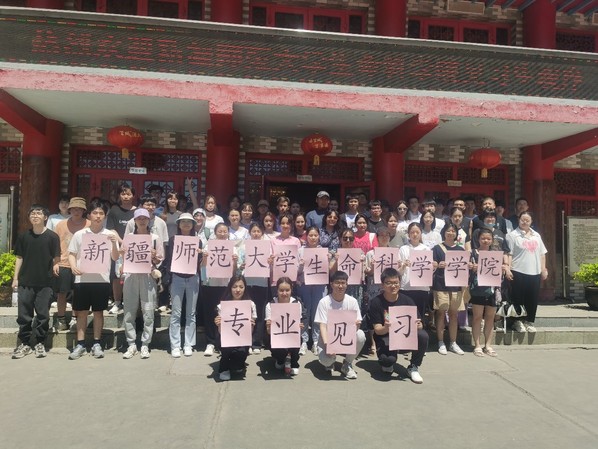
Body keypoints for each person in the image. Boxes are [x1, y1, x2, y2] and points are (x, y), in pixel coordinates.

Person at [67, 200, 120, 360]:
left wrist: (114, 244)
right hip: (82, 279)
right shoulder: (80, 234)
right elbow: (72, 253)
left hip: (101, 280)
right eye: (95, 213)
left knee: (98, 312)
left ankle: (97, 343)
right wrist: (73, 266)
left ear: (105, 216)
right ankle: (80, 344)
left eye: (101, 213)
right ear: (89, 215)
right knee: (81, 313)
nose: (98, 216)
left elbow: (115, 257)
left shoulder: (109, 235)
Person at [12, 205, 61, 359]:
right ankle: (25, 343)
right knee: (24, 315)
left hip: (45, 282)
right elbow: (19, 257)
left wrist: (56, 266)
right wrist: (15, 278)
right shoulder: (23, 236)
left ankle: (40, 342)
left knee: (43, 314)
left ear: (45, 217)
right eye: (32, 213)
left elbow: (56, 257)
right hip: (25, 281)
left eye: (39, 213)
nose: (35, 216)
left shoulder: (53, 237)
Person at [369, 268, 428, 383]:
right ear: (382, 285)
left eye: (396, 283)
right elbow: (377, 330)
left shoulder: (408, 300)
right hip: (386, 336)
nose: (393, 286)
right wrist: (386, 328)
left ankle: (414, 366)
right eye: (388, 283)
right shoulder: (376, 302)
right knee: (387, 362)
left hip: (405, 337)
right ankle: (390, 358)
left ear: (400, 283)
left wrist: (419, 325)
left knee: (422, 335)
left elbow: (419, 323)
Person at [120, 208, 164, 359]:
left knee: (148, 311)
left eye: (145, 218)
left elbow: (160, 259)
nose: (142, 220)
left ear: (149, 220)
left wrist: (154, 256)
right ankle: (131, 343)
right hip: (131, 275)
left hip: (148, 276)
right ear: (134, 221)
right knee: (129, 311)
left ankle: (145, 344)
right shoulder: (129, 237)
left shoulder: (155, 238)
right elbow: (123, 256)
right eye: (139, 218)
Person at [314, 271, 366, 379]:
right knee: (326, 361)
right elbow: (322, 326)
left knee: (360, 335)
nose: (340, 286)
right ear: (331, 284)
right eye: (337, 283)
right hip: (328, 338)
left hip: (346, 338)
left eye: (343, 283)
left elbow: (357, 325)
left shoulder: (352, 301)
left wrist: (356, 325)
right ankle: (330, 362)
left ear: (347, 284)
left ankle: (347, 364)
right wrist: (327, 345)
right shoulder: (324, 302)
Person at [469, 228, 511, 357]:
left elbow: (501, 270)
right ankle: (477, 345)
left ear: (492, 240)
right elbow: (466, 269)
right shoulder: (473, 253)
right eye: (483, 238)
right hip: (478, 289)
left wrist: (503, 268)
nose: (485, 241)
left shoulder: (495, 255)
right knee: (477, 317)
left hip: (492, 289)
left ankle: (488, 345)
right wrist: (472, 267)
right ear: (478, 239)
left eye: (488, 239)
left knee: (490, 318)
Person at [165, 213, 202, 358]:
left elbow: (199, 263)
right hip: (177, 278)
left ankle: (188, 344)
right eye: (183, 221)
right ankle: (175, 345)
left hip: (193, 278)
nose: (186, 224)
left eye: (189, 222)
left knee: (191, 313)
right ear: (179, 225)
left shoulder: (197, 241)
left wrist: (200, 254)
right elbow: (169, 259)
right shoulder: (173, 240)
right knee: (176, 312)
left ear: (193, 225)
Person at [432, 223, 471, 356]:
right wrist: (438, 265)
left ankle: (453, 342)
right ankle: (440, 341)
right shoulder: (437, 248)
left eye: (453, 231)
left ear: (456, 234)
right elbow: (431, 265)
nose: (450, 233)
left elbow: (465, 268)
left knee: (454, 314)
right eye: (448, 231)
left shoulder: (461, 249)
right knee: (441, 313)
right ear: (444, 232)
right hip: (441, 285)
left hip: (456, 285)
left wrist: (468, 266)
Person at [506, 211, 547, 333]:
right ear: (518, 220)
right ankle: (517, 321)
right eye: (522, 219)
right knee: (517, 298)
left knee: (532, 298)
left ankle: (529, 321)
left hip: (534, 271)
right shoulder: (512, 235)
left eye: (527, 220)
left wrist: (543, 269)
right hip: (518, 270)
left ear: (531, 221)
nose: (524, 222)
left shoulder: (536, 235)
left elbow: (542, 254)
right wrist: (508, 268)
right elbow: (509, 254)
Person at [201, 222, 239, 356]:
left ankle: (223, 342)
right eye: (220, 231)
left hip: (225, 285)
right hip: (210, 285)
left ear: (228, 233)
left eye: (225, 232)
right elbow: (203, 267)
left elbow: (234, 271)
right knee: (210, 314)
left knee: (225, 314)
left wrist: (235, 261)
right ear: (215, 233)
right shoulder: (208, 246)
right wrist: (205, 258)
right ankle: (210, 343)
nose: (222, 234)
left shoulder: (232, 247)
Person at [53, 197, 90, 331]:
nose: (76, 211)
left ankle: (75, 318)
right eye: (74, 209)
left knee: (78, 293)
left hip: (83, 264)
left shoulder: (89, 224)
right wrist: (55, 262)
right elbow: (55, 245)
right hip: (64, 262)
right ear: (69, 210)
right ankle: (61, 319)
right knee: (61, 293)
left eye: (79, 209)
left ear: (84, 210)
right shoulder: (61, 225)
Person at [214, 275, 257, 381]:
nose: (238, 290)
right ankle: (223, 368)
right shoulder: (223, 306)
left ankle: (236, 363)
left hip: (242, 339)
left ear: (245, 288)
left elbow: (250, 333)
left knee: (238, 366)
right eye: (234, 287)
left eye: (241, 287)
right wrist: (219, 323)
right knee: (226, 348)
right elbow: (221, 332)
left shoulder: (251, 305)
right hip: (226, 338)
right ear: (230, 288)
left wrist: (251, 325)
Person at [297, 226, 332, 354]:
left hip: (319, 286)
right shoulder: (300, 251)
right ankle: (304, 340)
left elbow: (328, 271)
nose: (313, 238)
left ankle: (316, 341)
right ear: (306, 236)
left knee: (318, 312)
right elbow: (295, 272)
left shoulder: (323, 251)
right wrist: (301, 265)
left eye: (315, 235)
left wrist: (328, 260)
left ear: (319, 236)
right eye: (310, 235)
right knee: (305, 312)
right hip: (304, 285)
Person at [265, 277, 306, 375]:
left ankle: (294, 362)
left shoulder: (296, 303)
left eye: (287, 290)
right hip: (277, 336)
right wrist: (269, 326)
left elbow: (297, 327)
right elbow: (268, 332)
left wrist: (299, 327)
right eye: (281, 290)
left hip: (291, 336)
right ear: (277, 290)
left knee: (297, 339)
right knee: (279, 361)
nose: (284, 293)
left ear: (291, 290)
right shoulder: (270, 305)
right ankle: (280, 360)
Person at [106, 183, 136, 314]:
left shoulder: (137, 211)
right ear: (119, 195)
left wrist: (130, 243)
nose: (126, 196)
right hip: (117, 247)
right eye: (123, 194)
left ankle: (129, 302)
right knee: (117, 276)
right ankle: (117, 302)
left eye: (128, 194)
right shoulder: (114, 210)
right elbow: (111, 228)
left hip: (134, 248)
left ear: (133, 195)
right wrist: (122, 242)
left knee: (132, 275)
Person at [240, 222, 270, 354]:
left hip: (261, 283)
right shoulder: (244, 246)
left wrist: (270, 262)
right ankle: (245, 342)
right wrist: (241, 265)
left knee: (260, 312)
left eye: (258, 231)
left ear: (262, 233)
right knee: (247, 313)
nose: (256, 234)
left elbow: (271, 263)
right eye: (254, 231)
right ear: (249, 232)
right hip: (247, 282)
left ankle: (256, 343)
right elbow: (239, 263)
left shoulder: (267, 247)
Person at [398, 223, 431, 324]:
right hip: (406, 288)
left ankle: (419, 334)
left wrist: (433, 266)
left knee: (419, 318)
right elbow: (399, 272)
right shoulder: (403, 249)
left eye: (417, 232)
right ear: (408, 234)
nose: (415, 234)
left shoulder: (426, 249)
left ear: (421, 233)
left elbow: (429, 271)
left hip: (422, 288)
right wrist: (404, 265)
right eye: (412, 232)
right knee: (406, 317)